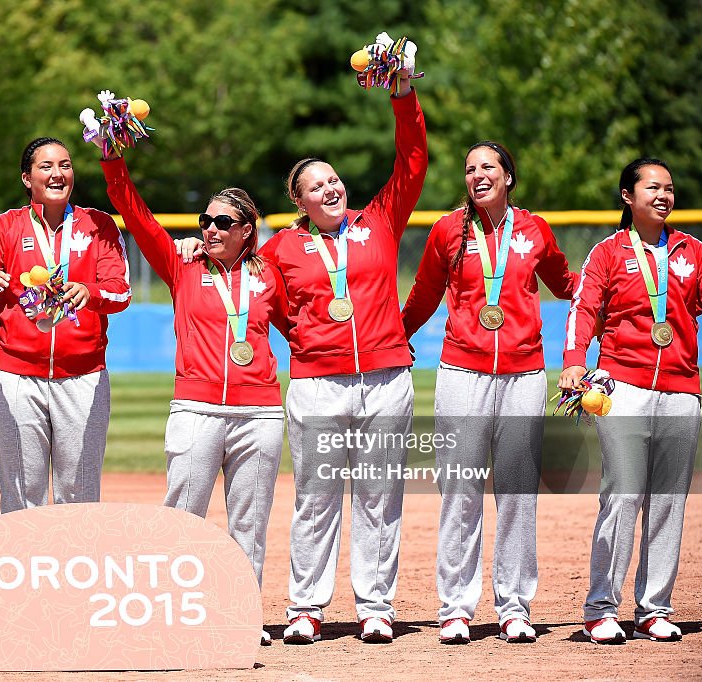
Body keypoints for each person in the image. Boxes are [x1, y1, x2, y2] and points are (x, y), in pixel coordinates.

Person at [257, 62, 427, 644]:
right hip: (318, 382)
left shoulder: (377, 222)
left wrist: (402, 96)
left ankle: (375, 606)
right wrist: (307, 342)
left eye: (334, 180)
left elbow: (411, 164)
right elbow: (273, 308)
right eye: (316, 185)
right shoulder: (281, 246)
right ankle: (306, 606)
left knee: (381, 496)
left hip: (384, 378)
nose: (331, 188)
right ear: (300, 201)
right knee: (317, 497)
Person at [101, 150, 285, 646]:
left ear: (247, 229)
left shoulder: (270, 276)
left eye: (222, 222)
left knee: (249, 522)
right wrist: (113, 159)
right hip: (196, 409)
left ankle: (241, 615)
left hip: (260, 411)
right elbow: (133, 213)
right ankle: (172, 614)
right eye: (205, 220)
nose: (210, 229)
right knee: (182, 517)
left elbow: (302, 327)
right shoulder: (183, 266)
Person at [401, 142, 579, 644]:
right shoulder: (446, 231)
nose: (477, 175)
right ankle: (455, 607)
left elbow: (568, 285)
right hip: (462, 372)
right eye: (469, 168)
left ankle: (514, 606)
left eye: (487, 167)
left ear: (508, 177)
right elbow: (423, 295)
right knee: (459, 490)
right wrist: (395, 336)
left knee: (518, 493)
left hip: (524, 375)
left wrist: (613, 296)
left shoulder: (534, 230)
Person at [560, 158, 702, 644]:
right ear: (628, 196)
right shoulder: (607, 252)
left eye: (670, 187)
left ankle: (653, 609)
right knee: (624, 494)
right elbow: (583, 307)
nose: (664, 195)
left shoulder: (695, 252)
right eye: (653, 187)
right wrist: (572, 359)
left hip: (682, 390)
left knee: (669, 501)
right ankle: (601, 607)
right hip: (621, 387)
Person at [0, 137, 131, 511]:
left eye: (66, 165)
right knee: (22, 496)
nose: (58, 174)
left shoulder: (98, 225)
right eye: (46, 166)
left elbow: (121, 292)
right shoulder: (4, 227)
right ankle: (26, 569)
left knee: (80, 496)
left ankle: (79, 569)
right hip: (17, 377)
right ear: (27, 178)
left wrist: (92, 292)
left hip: (83, 377)